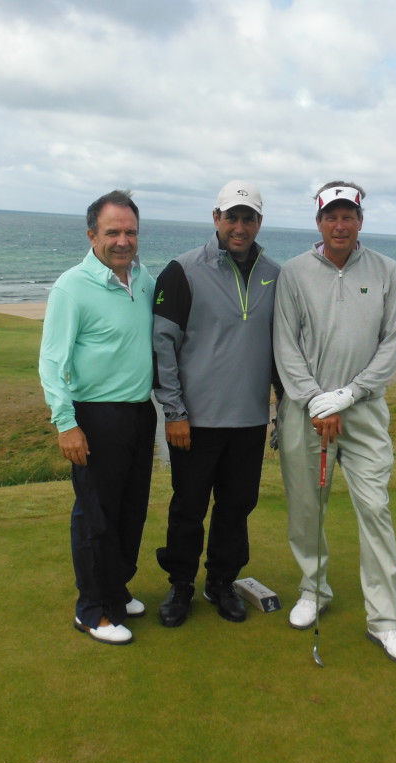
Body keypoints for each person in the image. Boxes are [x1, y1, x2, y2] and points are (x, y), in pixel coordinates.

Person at [273, 181, 396, 666]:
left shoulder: (385, 271)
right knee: (306, 508)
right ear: (318, 221)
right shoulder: (294, 273)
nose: (340, 225)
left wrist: (348, 395)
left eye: (348, 216)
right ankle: (313, 590)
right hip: (306, 412)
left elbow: (390, 345)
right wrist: (317, 400)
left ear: (360, 221)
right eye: (331, 216)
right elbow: (285, 346)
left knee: (375, 507)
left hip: (364, 411)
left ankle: (385, 621)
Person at [152, 180, 281, 627]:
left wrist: (282, 407)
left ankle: (221, 582)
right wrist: (174, 413)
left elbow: (283, 350)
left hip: (248, 420)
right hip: (195, 421)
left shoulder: (274, 275)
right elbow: (162, 347)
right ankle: (181, 584)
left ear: (259, 222)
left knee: (236, 507)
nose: (239, 227)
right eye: (232, 217)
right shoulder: (182, 270)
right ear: (216, 218)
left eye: (248, 218)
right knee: (188, 505)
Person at [39, 189, 156, 647]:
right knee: (95, 515)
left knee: (131, 510)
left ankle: (116, 590)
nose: (123, 240)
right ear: (92, 235)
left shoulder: (144, 279)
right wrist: (65, 422)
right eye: (112, 232)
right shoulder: (72, 287)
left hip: (138, 413)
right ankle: (91, 609)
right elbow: (52, 361)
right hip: (94, 415)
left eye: (130, 231)